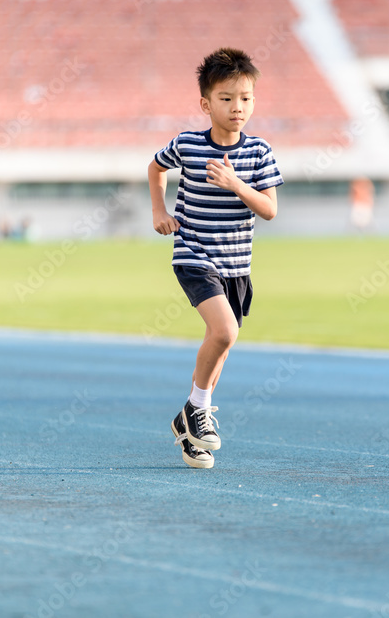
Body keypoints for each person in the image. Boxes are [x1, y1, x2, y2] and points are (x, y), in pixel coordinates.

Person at [147, 48, 283, 469]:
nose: (237, 107)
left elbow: (269, 208)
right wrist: (159, 211)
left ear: (254, 101)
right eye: (226, 98)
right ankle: (198, 410)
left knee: (221, 348)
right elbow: (155, 167)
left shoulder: (259, 152)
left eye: (245, 98)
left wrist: (235, 184)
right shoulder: (188, 144)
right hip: (194, 255)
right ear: (206, 104)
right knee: (224, 332)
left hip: (236, 265)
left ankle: (189, 424)